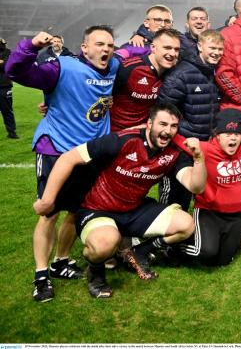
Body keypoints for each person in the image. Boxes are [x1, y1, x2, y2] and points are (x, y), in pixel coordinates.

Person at [32, 103, 207, 298]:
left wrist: (198, 158)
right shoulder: (122, 140)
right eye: (163, 124)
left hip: (135, 209)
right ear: (149, 124)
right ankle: (96, 273)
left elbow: (195, 186)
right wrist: (48, 199)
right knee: (104, 244)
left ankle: (140, 252)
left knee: (186, 225)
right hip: (99, 209)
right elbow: (68, 158)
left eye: (173, 126)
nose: (167, 131)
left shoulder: (174, 152)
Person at [6, 26, 119, 302]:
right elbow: (15, 71)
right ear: (85, 48)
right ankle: (41, 275)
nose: (105, 50)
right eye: (99, 44)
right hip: (57, 148)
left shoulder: (115, 66)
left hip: (90, 153)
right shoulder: (61, 67)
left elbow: (140, 55)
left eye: (110, 45)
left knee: (76, 210)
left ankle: (61, 261)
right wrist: (30, 46)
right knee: (49, 212)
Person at [157, 29, 224, 209]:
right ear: (199, 46)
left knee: (195, 192)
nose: (217, 53)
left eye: (220, 49)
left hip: (201, 144)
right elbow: (164, 111)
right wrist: (178, 140)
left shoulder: (210, 72)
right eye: (212, 48)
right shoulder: (181, 74)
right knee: (174, 197)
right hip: (180, 146)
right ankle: (159, 234)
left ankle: (188, 234)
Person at [180, 108, 241, 266]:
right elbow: (174, 138)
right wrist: (143, 127)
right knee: (207, 253)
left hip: (237, 215)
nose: (233, 138)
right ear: (217, 135)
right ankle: (174, 248)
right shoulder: (204, 149)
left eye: (236, 134)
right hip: (209, 212)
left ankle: (226, 239)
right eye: (227, 134)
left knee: (224, 261)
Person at [111, 28, 181, 132]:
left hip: (144, 132)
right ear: (153, 48)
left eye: (176, 49)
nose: (172, 53)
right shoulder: (129, 69)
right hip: (116, 132)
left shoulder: (173, 72)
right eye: (167, 48)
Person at [0, 37, 18, 138]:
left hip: (4, 86)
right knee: (8, 111)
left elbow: (6, 65)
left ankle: (12, 132)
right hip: (4, 85)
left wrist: (3, 63)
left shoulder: (8, 52)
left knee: (7, 111)